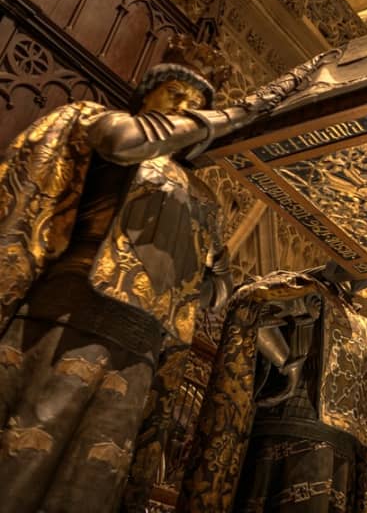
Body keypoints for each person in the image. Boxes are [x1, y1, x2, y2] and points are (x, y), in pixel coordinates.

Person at [0, 33, 255, 513]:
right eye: (174, 95)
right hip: (73, 310)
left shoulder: (201, 194)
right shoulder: (100, 121)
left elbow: (217, 287)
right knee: (27, 446)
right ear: (146, 95)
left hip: (141, 341)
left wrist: (201, 280)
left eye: (195, 104)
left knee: (94, 476)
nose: (183, 109)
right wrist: (231, 116)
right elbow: (123, 143)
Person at [179, 263, 367, 513]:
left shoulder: (365, 329)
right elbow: (248, 304)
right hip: (289, 425)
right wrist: (285, 357)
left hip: (340, 444)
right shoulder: (297, 287)